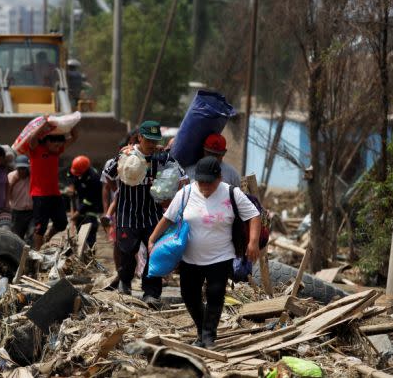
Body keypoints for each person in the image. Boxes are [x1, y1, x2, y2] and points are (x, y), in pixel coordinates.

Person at [149, 156, 261, 348]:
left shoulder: (231, 193)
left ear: (219, 178)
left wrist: (253, 242)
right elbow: (168, 218)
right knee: (189, 295)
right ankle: (202, 329)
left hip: (221, 256)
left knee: (215, 294)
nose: (205, 186)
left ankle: (208, 337)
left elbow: (254, 215)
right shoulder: (186, 193)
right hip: (189, 257)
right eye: (201, 182)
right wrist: (152, 239)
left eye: (210, 182)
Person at [103, 120, 185, 307]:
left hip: (152, 215)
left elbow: (183, 176)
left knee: (154, 252)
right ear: (140, 137)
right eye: (147, 140)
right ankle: (125, 281)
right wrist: (119, 191)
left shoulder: (162, 158)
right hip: (128, 213)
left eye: (154, 140)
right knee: (127, 251)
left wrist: (171, 197)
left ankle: (151, 292)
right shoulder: (126, 155)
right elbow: (108, 174)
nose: (151, 144)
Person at [28, 125, 78, 250]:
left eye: (59, 142)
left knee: (61, 223)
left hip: (54, 194)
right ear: (46, 141)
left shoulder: (57, 151)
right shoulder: (37, 150)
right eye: (54, 142)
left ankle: (47, 239)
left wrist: (69, 123)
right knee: (40, 227)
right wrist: (44, 125)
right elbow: (32, 138)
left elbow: (75, 137)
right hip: (39, 195)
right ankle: (38, 253)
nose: (58, 145)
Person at [67, 155, 103, 248]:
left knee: (89, 234)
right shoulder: (76, 170)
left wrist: (77, 213)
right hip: (80, 199)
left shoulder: (94, 178)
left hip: (92, 207)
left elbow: (88, 201)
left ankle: (90, 256)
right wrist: (71, 186)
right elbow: (70, 175)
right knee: (78, 235)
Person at [8, 155, 33, 241]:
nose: (22, 171)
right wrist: (13, 182)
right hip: (17, 213)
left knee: (32, 234)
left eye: (24, 168)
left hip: (32, 212)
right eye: (20, 168)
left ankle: (33, 253)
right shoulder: (11, 177)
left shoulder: (32, 176)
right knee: (17, 237)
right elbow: (6, 195)